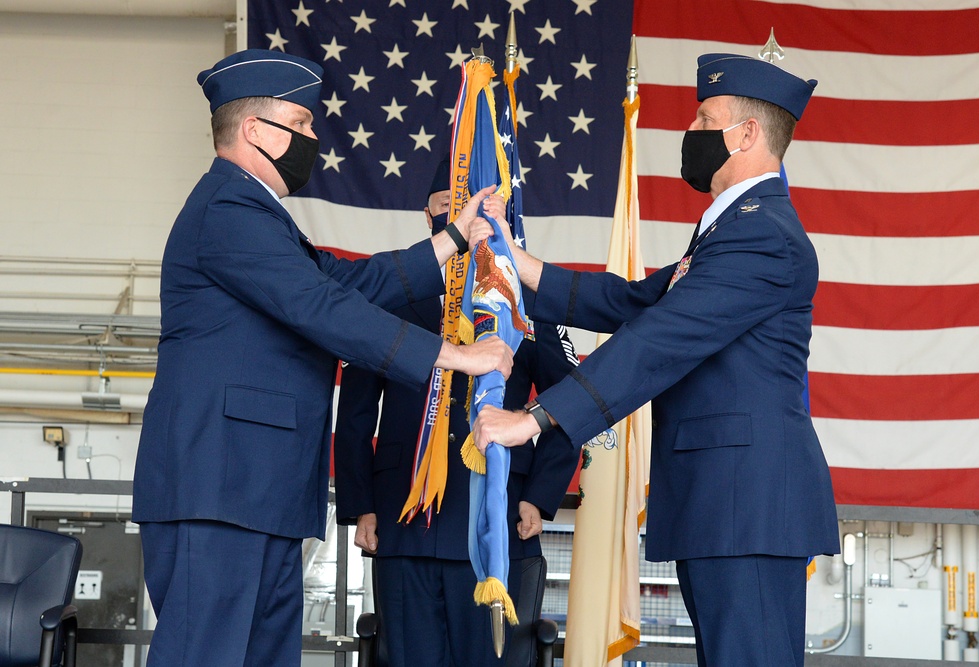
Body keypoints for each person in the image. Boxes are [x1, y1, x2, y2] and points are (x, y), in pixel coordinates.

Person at [132, 49, 513, 667]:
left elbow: (343, 286)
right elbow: (322, 308)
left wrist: (451, 238)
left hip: (260, 491)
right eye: (302, 124)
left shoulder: (261, 216)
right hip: (219, 487)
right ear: (255, 130)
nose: (313, 137)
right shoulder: (228, 208)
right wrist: (453, 356)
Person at [473, 53, 841, 667]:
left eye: (705, 118)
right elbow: (635, 301)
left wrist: (536, 419)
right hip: (724, 506)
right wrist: (520, 264)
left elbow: (659, 338)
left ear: (747, 134)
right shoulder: (732, 231)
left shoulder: (764, 233)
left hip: (746, 507)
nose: (691, 132)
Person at [333, 159, 581, 666]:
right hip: (405, 519)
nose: (463, 220)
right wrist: (361, 504)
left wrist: (541, 494)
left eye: (477, 208)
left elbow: (570, 400)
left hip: (501, 518)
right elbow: (356, 413)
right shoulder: (390, 293)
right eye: (449, 208)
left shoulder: (524, 297)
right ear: (428, 214)